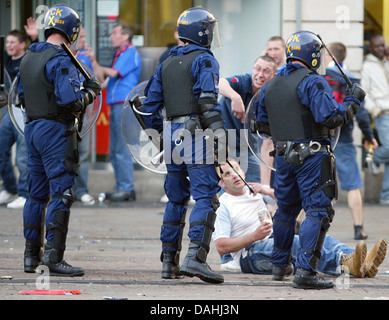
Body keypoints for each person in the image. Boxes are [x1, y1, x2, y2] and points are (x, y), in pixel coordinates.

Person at [255, 30, 366, 289]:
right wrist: (353, 101)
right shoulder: (312, 82)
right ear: (312, 56)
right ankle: (305, 271)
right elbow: (332, 118)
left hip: (282, 157)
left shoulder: (271, 84)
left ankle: (279, 265)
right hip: (312, 156)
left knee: (285, 211)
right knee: (317, 211)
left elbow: (260, 125)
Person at [142, 7, 226, 284]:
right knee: (206, 197)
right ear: (202, 31)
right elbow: (207, 102)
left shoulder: (166, 61)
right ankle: (195, 259)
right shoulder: (204, 59)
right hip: (195, 133)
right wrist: (221, 141)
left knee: (176, 197)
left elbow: (148, 107)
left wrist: (159, 138)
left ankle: (169, 261)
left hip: (171, 132)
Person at [17, 4, 101, 276]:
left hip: (32, 129)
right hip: (55, 130)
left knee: (35, 194)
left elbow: (19, 96)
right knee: (62, 192)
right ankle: (53, 257)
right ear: (71, 30)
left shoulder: (30, 55)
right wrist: (90, 93)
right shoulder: (62, 58)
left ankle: (31, 257)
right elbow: (69, 101)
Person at [213, 159, 387, 279]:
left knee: (317, 238)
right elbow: (221, 247)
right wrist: (254, 236)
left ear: (243, 170)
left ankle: (359, 259)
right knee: (296, 243)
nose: (235, 175)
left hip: (271, 240)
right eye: (228, 174)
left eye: (236, 169)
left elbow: (287, 199)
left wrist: (266, 190)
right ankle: (344, 263)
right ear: (221, 183)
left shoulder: (254, 191)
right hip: (249, 254)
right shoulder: (223, 205)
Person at [324, 42, 378, 240]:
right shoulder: (352, 80)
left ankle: (298, 222)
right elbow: (362, 115)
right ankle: (358, 228)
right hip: (344, 139)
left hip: (321, 139)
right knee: (352, 184)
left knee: (318, 183)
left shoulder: (320, 78)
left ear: (330, 56)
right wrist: (369, 137)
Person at [86, 23, 141, 202]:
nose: (111, 36)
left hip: (124, 104)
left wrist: (94, 61)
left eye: (115, 33)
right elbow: (106, 82)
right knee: (114, 149)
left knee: (121, 149)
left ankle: (127, 188)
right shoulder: (120, 54)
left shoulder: (129, 52)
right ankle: (120, 187)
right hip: (116, 104)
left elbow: (113, 74)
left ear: (125, 36)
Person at [218, 55, 277, 184]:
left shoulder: (273, 96)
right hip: (223, 145)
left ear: (274, 75)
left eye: (266, 71)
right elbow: (219, 83)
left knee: (257, 186)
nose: (260, 75)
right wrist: (235, 97)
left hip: (248, 149)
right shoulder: (243, 82)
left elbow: (268, 141)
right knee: (226, 188)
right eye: (257, 69)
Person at [0, 26, 38, 209]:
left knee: (23, 156)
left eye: (13, 42)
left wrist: (35, 38)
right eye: (7, 42)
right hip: (9, 110)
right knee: (1, 149)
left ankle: (24, 194)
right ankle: (10, 187)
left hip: (24, 110)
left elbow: (40, 56)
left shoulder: (29, 58)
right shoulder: (6, 60)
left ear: (23, 45)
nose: (9, 45)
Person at [361, 35, 389, 206]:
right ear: (371, 48)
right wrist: (375, 110)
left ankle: (386, 195)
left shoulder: (387, 62)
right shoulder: (367, 67)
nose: (380, 48)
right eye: (377, 46)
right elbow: (364, 93)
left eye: (382, 45)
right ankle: (372, 159)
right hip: (382, 113)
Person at [72, 27, 95, 206]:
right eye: (81, 37)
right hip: (64, 112)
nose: (83, 40)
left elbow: (98, 82)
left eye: (85, 37)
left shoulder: (85, 59)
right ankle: (65, 189)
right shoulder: (61, 57)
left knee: (84, 152)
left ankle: (82, 190)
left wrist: (94, 61)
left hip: (84, 111)